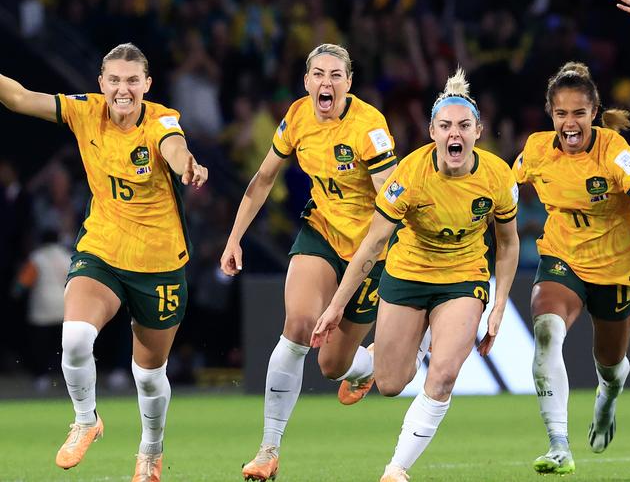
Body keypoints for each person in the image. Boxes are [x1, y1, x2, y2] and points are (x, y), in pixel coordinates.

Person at [0, 42, 208, 481]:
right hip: (104, 250)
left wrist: (187, 164)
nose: (123, 89)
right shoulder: (85, 111)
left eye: (133, 81)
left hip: (158, 264)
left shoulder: (161, 120)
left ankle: (150, 451)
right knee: (75, 338)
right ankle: (85, 419)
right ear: (101, 83)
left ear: (147, 85)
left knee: (149, 376)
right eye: (114, 80)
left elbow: (174, 146)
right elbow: (18, 97)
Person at [312, 68, 520, 482]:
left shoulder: (498, 176)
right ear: (432, 132)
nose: (454, 134)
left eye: (463, 126)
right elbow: (373, 244)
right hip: (408, 274)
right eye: (445, 126)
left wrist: (498, 306)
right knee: (391, 383)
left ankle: (396, 469)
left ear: (478, 131)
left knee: (442, 375)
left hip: (463, 277)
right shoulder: (409, 175)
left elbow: (509, 243)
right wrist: (336, 306)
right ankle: (384, 357)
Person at [220, 43, 417, 482]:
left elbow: (393, 198)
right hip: (322, 233)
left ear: (348, 83)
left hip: (371, 249)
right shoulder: (297, 117)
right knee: (299, 326)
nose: (325, 83)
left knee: (332, 366)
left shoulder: (370, 128)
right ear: (306, 81)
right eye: (317, 75)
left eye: (335, 75)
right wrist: (235, 238)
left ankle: (364, 368)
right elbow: (263, 178)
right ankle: (268, 450)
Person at [513, 62, 630, 475]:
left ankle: (607, 400)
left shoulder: (614, 152)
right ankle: (558, 444)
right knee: (546, 332)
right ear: (550, 114)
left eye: (578, 113)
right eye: (560, 114)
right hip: (562, 258)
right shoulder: (537, 150)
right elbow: (501, 187)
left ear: (594, 112)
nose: (569, 124)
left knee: (609, 365)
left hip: (615, 269)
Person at [12, 229, 71, 391]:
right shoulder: (68, 257)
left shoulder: (36, 258)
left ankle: (42, 377)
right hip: (64, 307)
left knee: (41, 347)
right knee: (63, 347)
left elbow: (21, 285)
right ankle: (67, 378)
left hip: (42, 309)